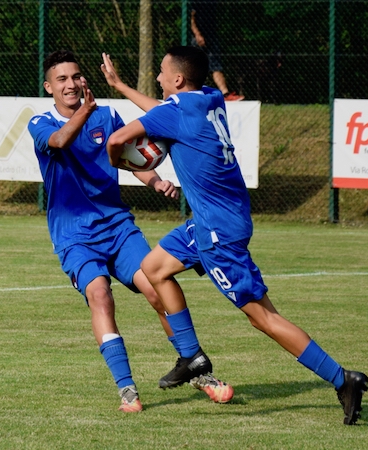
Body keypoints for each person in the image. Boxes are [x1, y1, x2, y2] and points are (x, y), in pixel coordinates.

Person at [101, 46, 368, 425]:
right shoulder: (211, 98)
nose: (158, 79)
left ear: (177, 80)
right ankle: (191, 357)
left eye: (162, 73)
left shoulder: (174, 112)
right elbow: (160, 111)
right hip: (220, 219)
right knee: (154, 268)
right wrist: (121, 86)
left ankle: (342, 379)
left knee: (263, 318)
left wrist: (120, 163)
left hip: (217, 233)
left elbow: (116, 142)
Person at [27, 49, 233, 413]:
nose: (72, 84)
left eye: (76, 76)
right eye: (62, 79)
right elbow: (59, 142)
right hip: (74, 235)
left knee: (157, 288)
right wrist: (86, 112)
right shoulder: (40, 122)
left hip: (118, 226)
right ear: (49, 87)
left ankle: (197, 369)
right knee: (100, 295)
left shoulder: (105, 115)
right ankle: (127, 390)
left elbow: (129, 156)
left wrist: (154, 181)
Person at [190, 1, 244, 101]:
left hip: (211, 37)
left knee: (216, 67)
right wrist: (197, 34)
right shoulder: (195, 3)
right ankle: (191, 94)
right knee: (195, 68)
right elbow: (191, 19)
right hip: (198, 39)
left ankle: (225, 94)